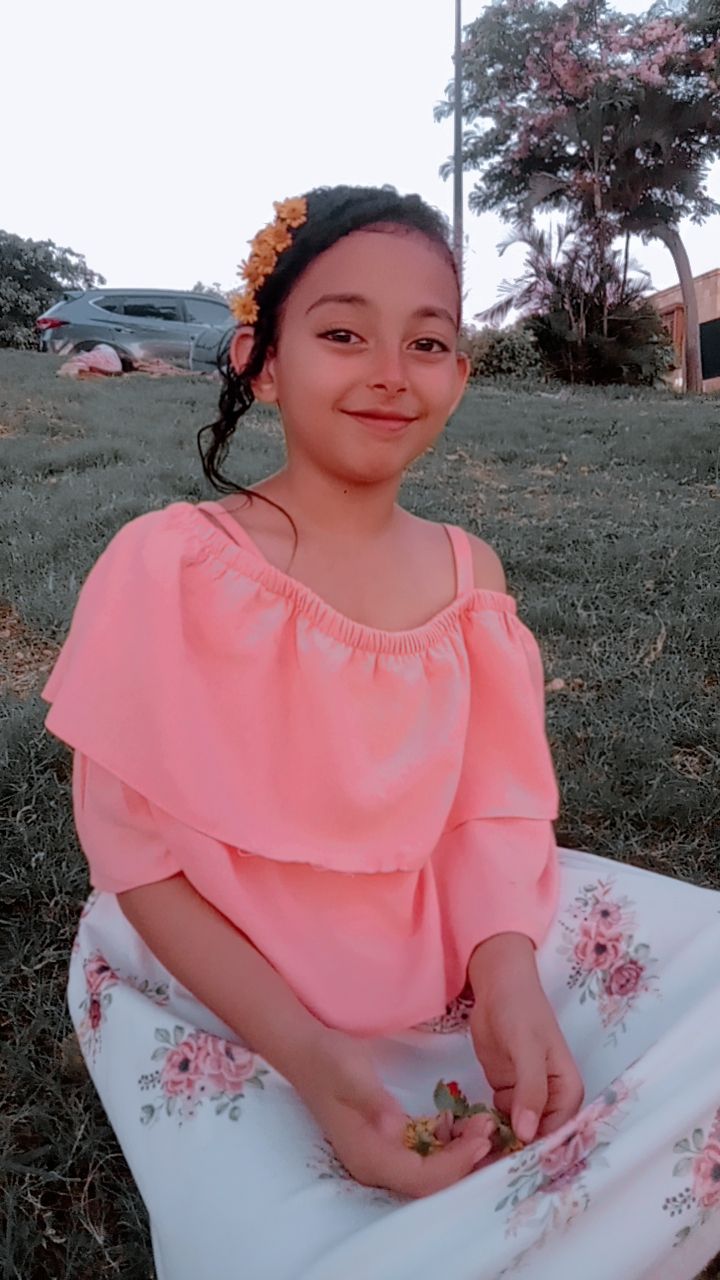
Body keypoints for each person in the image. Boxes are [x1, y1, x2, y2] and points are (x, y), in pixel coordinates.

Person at [41, 185, 720, 1280]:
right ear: (262, 361)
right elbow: (138, 861)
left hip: (440, 935)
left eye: (429, 342)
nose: (392, 372)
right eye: (344, 334)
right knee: (285, 1251)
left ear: (460, 374)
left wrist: (506, 976)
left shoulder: (470, 577)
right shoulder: (170, 565)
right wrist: (315, 1063)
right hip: (227, 978)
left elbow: (494, 811)